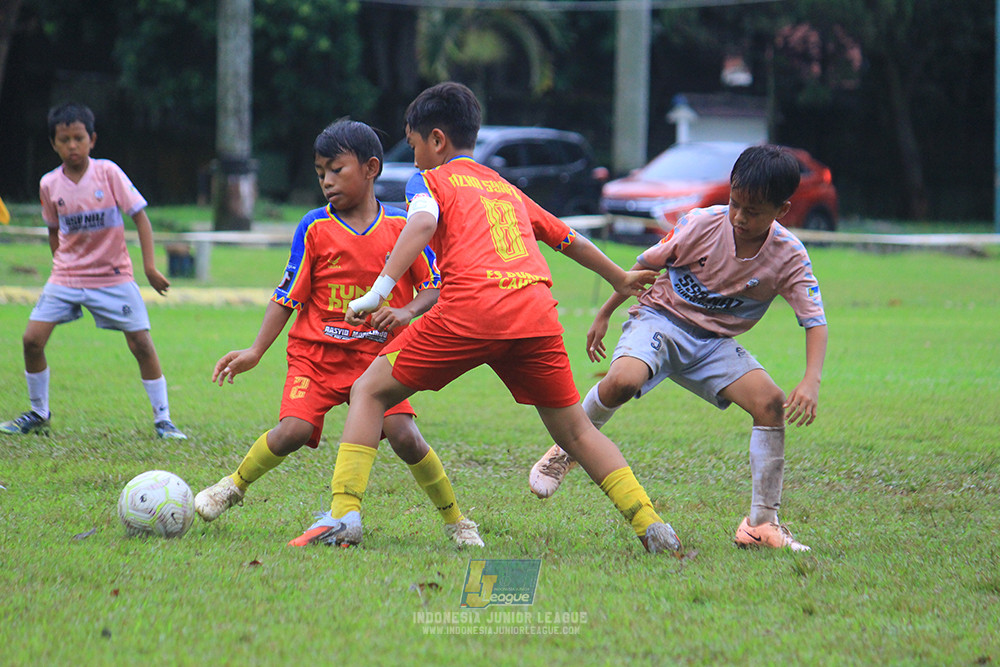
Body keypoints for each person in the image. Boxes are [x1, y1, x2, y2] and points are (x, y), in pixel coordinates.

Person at [289, 81, 682, 555]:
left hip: (470, 310)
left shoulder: (431, 180)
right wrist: (619, 277)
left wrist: (380, 288)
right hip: (535, 314)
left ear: (436, 140)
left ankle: (343, 514)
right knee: (576, 430)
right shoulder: (507, 188)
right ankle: (651, 524)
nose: (413, 160)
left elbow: (422, 222)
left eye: (414, 147)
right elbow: (567, 238)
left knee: (368, 389)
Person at [196, 119, 483, 548]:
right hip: (316, 355)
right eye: (320, 173)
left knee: (405, 436)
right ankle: (232, 485)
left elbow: (434, 288)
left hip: (377, 362)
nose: (327, 181)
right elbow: (287, 294)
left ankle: (458, 522)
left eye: (336, 170)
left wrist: (404, 312)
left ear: (371, 168)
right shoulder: (314, 227)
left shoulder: (405, 228)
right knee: (292, 431)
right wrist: (256, 350)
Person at [528, 144, 828, 552]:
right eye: (734, 203)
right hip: (660, 321)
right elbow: (644, 270)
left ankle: (761, 525)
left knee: (770, 403)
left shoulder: (790, 256)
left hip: (713, 345)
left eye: (753, 211)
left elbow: (814, 321)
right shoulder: (701, 224)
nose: (739, 217)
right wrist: (604, 313)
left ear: (783, 210)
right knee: (620, 381)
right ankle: (565, 449)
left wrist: (810, 380)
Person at [0, 102, 185, 439]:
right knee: (31, 340)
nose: (73, 145)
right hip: (67, 277)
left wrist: (149, 268)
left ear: (92, 139)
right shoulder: (49, 185)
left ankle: (164, 420)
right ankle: (38, 413)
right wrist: (60, 266)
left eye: (79, 138)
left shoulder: (108, 173)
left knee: (141, 343)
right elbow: (54, 229)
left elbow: (140, 218)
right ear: (54, 143)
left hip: (113, 276)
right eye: (65, 139)